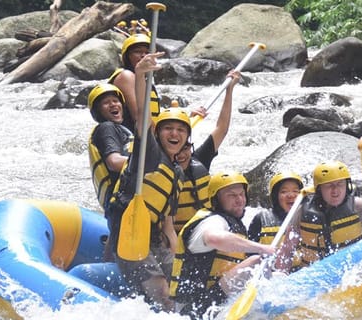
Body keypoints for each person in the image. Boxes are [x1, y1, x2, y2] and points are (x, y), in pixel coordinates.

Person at [104, 51, 188, 311]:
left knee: (182, 287)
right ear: (158, 133)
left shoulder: (177, 173)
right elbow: (143, 116)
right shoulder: (149, 153)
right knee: (162, 292)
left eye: (181, 130)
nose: (174, 134)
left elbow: (168, 224)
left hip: (153, 236)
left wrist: (177, 255)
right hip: (129, 231)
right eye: (168, 129)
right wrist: (141, 75)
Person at [169, 171, 275, 319]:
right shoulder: (213, 220)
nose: (239, 200)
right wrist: (261, 248)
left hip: (212, 300)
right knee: (257, 261)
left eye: (241, 194)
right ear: (216, 200)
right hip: (195, 307)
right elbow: (214, 238)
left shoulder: (232, 223)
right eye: (231, 195)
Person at [277, 160, 362, 271]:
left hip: (354, 272)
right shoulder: (301, 213)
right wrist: (281, 273)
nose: (335, 191)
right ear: (319, 189)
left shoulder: (361, 207)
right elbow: (287, 251)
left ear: (347, 186)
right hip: (315, 276)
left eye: (340, 184)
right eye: (329, 186)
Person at [172, 69, 242, 234]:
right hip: (173, 235)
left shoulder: (198, 160)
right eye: (177, 150)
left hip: (202, 232)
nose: (181, 155)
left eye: (185, 149)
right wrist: (185, 120)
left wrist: (229, 90)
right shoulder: (159, 165)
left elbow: (221, 129)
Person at [85, 83, 133, 261]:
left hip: (122, 199)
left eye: (116, 100)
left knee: (116, 246)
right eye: (106, 103)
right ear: (98, 111)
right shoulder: (107, 128)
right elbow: (114, 162)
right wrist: (150, 165)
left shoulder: (123, 130)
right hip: (120, 200)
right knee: (118, 251)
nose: (113, 104)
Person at [108, 33, 161, 133]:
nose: (143, 56)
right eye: (137, 52)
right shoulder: (126, 76)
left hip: (146, 137)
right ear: (127, 57)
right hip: (129, 138)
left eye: (148, 52)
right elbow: (140, 119)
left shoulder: (146, 83)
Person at [247, 171, 304, 245]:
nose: (291, 195)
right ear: (275, 196)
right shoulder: (261, 218)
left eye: (295, 191)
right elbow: (249, 249)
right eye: (284, 191)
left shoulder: (307, 218)